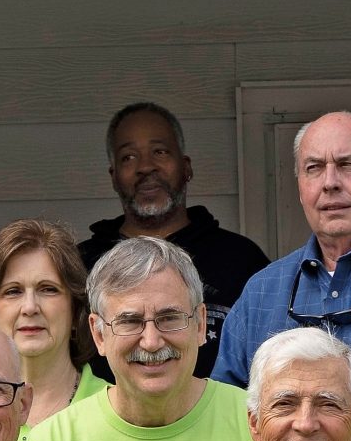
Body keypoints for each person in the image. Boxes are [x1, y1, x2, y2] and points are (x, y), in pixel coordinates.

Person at [26, 238, 269, 441]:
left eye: (169, 318)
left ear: (201, 324)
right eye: (130, 321)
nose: (152, 341)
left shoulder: (257, 426)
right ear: (98, 334)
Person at [213, 112, 351, 392]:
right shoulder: (261, 291)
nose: (330, 182)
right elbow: (229, 410)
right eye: (314, 168)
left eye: (347, 165)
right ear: (300, 186)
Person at [79, 103, 269, 378]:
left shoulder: (239, 259)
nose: (145, 166)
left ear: (186, 167)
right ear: (114, 177)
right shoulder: (82, 263)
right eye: (128, 157)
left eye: (159, 151)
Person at [0, 219, 108, 430]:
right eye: (13, 291)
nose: (30, 307)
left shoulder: (117, 412)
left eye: (48, 289)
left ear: (76, 309)